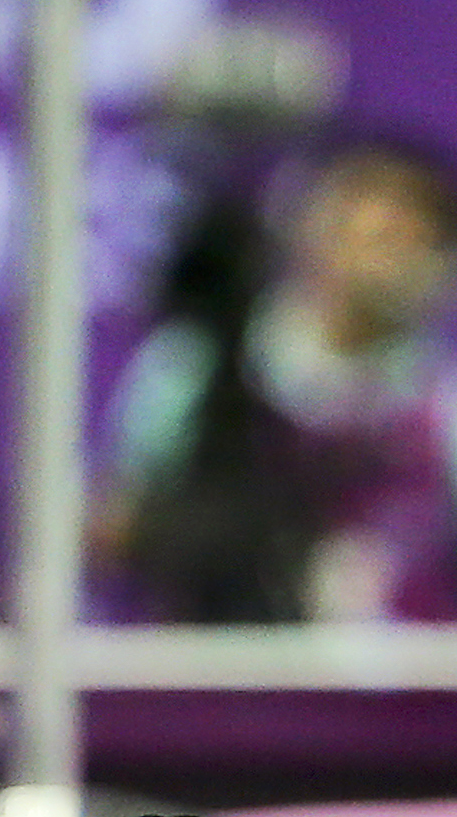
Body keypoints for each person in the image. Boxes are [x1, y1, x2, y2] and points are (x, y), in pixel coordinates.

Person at [111, 140, 457, 624]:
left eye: (418, 235)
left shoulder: (442, 402)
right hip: (221, 675)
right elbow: (120, 522)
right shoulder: (195, 366)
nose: (391, 254)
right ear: (312, 227)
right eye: (373, 228)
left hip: (398, 689)